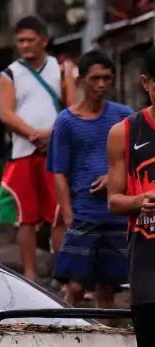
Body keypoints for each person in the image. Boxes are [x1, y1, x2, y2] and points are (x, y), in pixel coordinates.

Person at [49, 50, 132, 309]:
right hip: (83, 213)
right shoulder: (66, 121)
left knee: (108, 288)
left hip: (115, 213)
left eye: (106, 78)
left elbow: (138, 160)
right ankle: (65, 338)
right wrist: (68, 214)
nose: (101, 85)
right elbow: (58, 171)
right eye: (95, 78)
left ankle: (109, 344)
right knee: (74, 286)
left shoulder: (123, 116)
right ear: (82, 80)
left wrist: (114, 177)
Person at [0, 16, 76, 281]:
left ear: (44, 40)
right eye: (20, 40)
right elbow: (6, 114)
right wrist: (34, 134)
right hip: (22, 151)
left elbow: (72, 108)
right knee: (25, 216)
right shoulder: (9, 74)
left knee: (58, 214)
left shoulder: (63, 69)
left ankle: (59, 272)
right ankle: (30, 274)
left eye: (30, 39)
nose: (25, 45)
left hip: (56, 151)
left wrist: (51, 134)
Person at [107, 46, 155, 347]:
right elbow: (114, 200)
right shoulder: (124, 132)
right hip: (148, 262)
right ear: (146, 83)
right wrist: (140, 201)